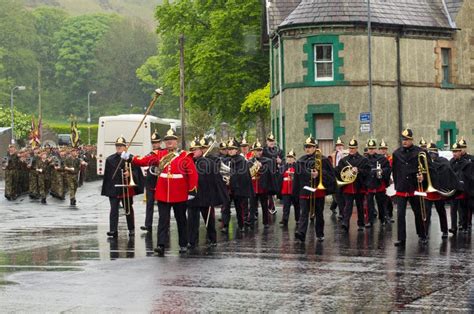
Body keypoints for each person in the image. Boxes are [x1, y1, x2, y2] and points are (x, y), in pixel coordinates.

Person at [128, 128, 197, 256]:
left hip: (180, 192)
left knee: (181, 219)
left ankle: (182, 243)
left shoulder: (184, 156)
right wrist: (131, 157)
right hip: (163, 192)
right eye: (167, 140)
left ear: (176, 141)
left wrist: (192, 190)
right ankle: (161, 245)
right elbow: (144, 161)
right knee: (162, 220)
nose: (169, 142)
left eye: (172, 140)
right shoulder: (159, 154)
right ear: (164, 142)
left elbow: (192, 174)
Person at [187, 137, 228, 248]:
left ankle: (212, 239)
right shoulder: (188, 162)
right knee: (192, 221)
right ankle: (192, 241)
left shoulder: (208, 162)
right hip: (193, 197)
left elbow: (213, 180)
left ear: (201, 150)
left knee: (209, 220)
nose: (193, 152)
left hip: (205, 196)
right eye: (191, 150)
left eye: (195, 149)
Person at [294, 135, 335, 242]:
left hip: (317, 191)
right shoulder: (300, 161)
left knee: (319, 214)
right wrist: (295, 193)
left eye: (310, 147)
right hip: (305, 191)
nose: (307, 149)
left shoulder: (323, 160)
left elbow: (331, 175)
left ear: (315, 148)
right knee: (304, 213)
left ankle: (320, 233)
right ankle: (301, 233)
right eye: (306, 147)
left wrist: (319, 173)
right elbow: (297, 178)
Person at [101, 136, 144, 238]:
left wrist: (130, 174)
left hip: (126, 188)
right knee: (113, 210)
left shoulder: (131, 158)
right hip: (114, 189)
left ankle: (131, 228)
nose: (119, 147)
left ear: (125, 147)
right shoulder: (110, 159)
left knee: (128, 209)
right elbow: (108, 177)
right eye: (117, 146)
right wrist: (108, 190)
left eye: (121, 146)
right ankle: (113, 230)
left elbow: (137, 172)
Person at [392, 129, 427, 247]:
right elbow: (395, 171)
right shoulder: (396, 153)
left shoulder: (420, 152)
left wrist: (423, 177)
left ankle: (422, 235)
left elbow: (427, 169)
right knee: (400, 214)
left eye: (407, 140)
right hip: (402, 187)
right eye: (403, 139)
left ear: (412, 139)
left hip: (414, 186)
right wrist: (397, 186)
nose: (404, 142)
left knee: (418, 212)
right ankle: (401, 239)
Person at [336, 137, 370, 232]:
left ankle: (361, 224)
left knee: (360, 206)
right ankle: (345, 223)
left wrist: (358, 170)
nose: (351, 150)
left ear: (357, 148)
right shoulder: (344, 160)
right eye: (350, 148)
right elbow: (339, 172)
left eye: (353, 148)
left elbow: (367, 171)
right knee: (348, 206)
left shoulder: (363, 160)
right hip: (348, 186)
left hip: (359, 186)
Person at [225, 138, 253, 232]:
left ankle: (241, 225)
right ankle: (225, 225)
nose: (230, 151)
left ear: (236, 150)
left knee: (239, 208)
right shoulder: (226, 160)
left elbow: (242, 175)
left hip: (238, 188)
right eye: (229, 149)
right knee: (225, 208)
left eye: (232, 149)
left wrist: (231, 179)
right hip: (227, 188)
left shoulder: (241, 161)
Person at [248, 139, 278, 229]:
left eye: (260, 150)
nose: (259, 152)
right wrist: (254, 166)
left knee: (264, 205)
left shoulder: (267, 161)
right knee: (252, 206)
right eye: (257, 150)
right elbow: (248, 174)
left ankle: (266, 223)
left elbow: (269, 173)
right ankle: (251, 222)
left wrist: (261, 167)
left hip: (262, 186)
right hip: (253, 187)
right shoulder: (249, 162)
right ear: (253, 151)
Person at [365, 139, 391, 227]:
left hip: (379, 184)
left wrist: (382, 171)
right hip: (369, 184)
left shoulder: (382, 159)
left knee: (381, 203)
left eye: (372, 148)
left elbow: (388, 169)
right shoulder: (364, 159)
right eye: (369, 148)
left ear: (375, 149)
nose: (371, 150)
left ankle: (382, 219)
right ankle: (369, 221)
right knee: (369, 204)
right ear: (367, 149)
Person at [140, 131, 162, 232]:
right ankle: (148, 224)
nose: (154, 144)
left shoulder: (164, 153)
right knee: (149, 204)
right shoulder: (150, 154)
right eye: (153, 142)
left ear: (160, 143)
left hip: (161, 183)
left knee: (163, 207)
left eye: (156, 142)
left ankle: (164, 224)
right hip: (150, 182)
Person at [263, 133, 284, 214]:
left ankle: (281, 207)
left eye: (273, 141)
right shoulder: (263, 151)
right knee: (268, 191)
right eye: (269, 141)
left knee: (277, 190)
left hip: (276, 173)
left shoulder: (279, 151)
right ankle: (270, 206)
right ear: (267, 142)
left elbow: (284, 162)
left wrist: (280, 162)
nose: (271, 142)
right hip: (266, 173)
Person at [278, 149, 300, 227]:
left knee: (297, 205)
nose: (290, 159)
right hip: (285, 190)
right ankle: (285, 220)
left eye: (291, 157)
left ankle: (298, 219)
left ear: (294, 159)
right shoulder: (283, 167)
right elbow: (280, 179)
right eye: (288, 157)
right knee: (286, 206)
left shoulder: (298, 167)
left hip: (294, 190)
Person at [329, 137, 346, 218]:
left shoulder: (346, 154)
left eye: (341, 145)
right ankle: (341, 212)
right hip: (335, 176)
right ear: (335, 147)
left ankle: (335, 208)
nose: (339, 147)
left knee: (341, 195)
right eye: (338, 145)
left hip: (344, 176)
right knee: (337, 195)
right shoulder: (332, 155)